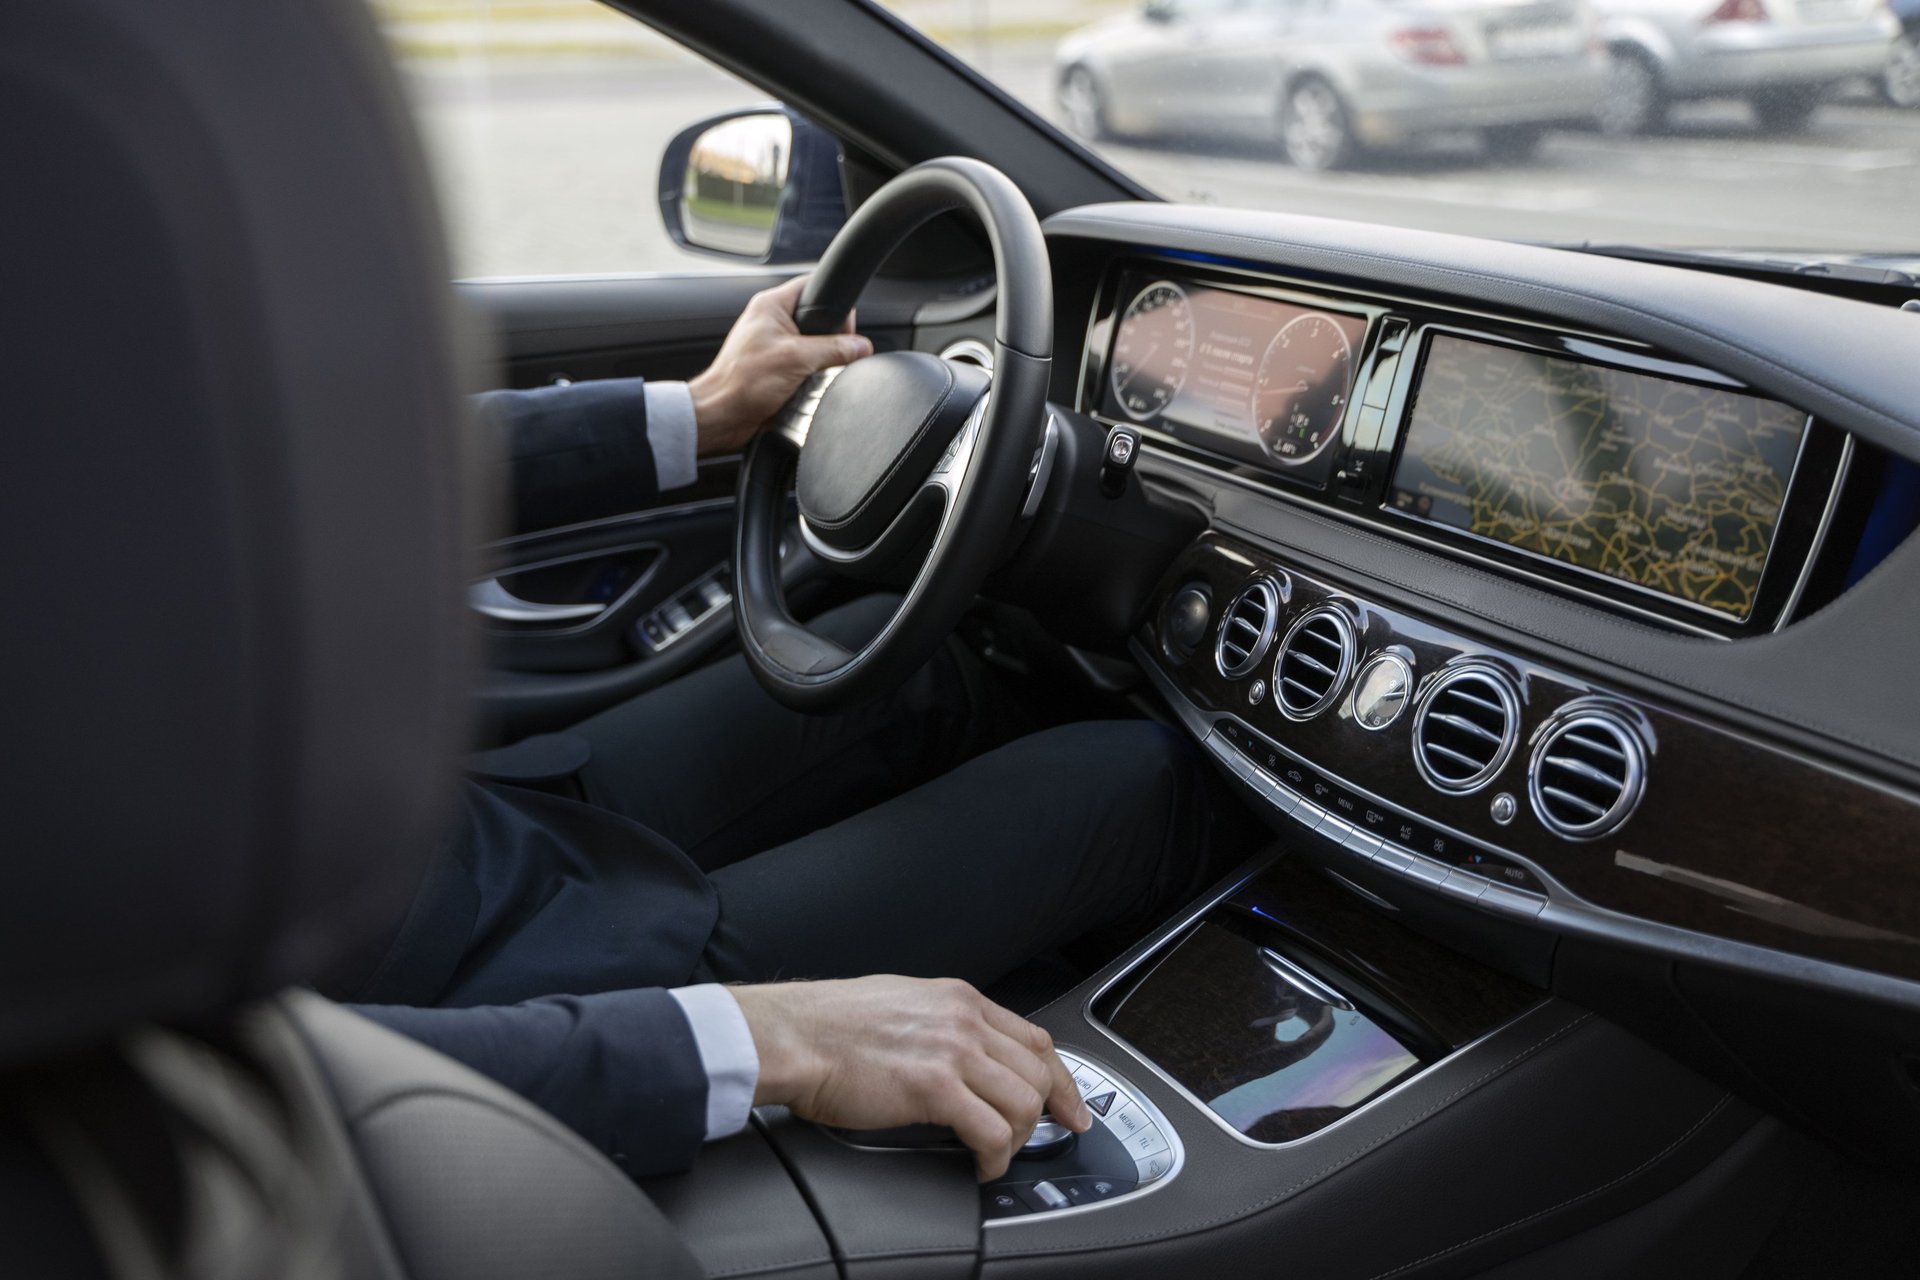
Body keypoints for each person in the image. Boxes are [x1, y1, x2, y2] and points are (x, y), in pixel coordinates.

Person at [329, 277, 1212, 1182]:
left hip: (458, 828)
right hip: (496, 1003)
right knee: (1142, 776)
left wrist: (703, 412)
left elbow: (297, 465)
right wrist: (776, 1038)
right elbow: (261, 1091)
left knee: (903, 656)